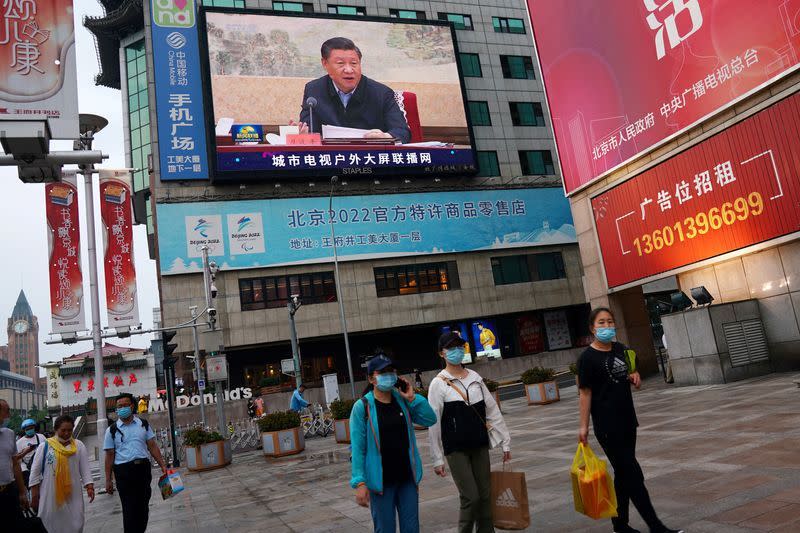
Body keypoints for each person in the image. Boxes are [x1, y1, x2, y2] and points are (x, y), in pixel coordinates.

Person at [577, 308, 683, 533]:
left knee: (623, 473)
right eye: (601, 323)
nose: (606, 327)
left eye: (610, 322)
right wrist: (584, 426)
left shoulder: (620, 349)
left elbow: (629, 374)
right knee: (633, 474)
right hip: (607, 426)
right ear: (592, 328)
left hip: (627, 421)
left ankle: (620, 524)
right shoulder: (587, 358)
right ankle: (656, 527)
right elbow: (585, 393)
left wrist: (634, 377)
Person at [428, 332, 511, 533]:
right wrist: (437, 458)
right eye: (451, 348)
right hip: (456, 450)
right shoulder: (438, 383)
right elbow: (434, 423)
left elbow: (492, 410)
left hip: (480, 444)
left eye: (460, 346)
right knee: (470, 497)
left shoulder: (475, 378)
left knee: (485, 495)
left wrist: (505, 442)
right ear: (441, 353)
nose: (457, 351)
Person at [349, 354, 437, 532]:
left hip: (407, 479)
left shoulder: (402, 400)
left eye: (391, 371)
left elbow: (429, 419)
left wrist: (413, 398)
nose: (389, 375)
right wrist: (359, 483)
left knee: (411, 528)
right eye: (383, 372)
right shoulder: (362, 407)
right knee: (385, 529)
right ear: (371, 378)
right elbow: (358, 448)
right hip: (381, 482)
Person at [293, 37, 411, 144]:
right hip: (331, 159)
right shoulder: (314, 90)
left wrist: (386, 137)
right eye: (340, 63)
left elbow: (402, 131)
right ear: (325, 63)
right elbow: (309, 128)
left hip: (370, 158)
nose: (349, 70)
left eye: (354, 63)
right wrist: (303, 136)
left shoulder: (381, 93)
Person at [104, 393, 168, 533]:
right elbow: (109, 456)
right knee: (128, 508)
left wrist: (163, 465)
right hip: (123, 472)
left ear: (132, 406)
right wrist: (108, 479)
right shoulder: (112, 430)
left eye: (125, 405)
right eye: (119, 406)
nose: (122, 408)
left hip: (142, 469)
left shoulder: (143, 424)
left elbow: (152, 446)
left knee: (143, 506)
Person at [29, 415, 94, 533]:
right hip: (50, 495)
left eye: (70, 430)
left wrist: (89, 486)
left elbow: (85, 469)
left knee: (76, 522)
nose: (66, 433)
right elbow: (35, 472)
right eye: (63, 430)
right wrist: (34, 495)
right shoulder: (45, 446)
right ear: (56, 429)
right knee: (51, 524)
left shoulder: (78, 445)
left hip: (73, 494)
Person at [1, 399, 29, 524]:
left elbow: (15, 464)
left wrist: (22, 492)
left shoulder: (9, 434)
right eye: (7, 411)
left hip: (9, 490)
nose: (9, 416)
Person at [16, 418, 46, 489]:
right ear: (24, 430)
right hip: (28, 469)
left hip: (42, 467)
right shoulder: (19, 442)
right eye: (28, 429)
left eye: (31, 428)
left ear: (34, 428)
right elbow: (17, 459)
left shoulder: (41, 437)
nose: (30, 430)